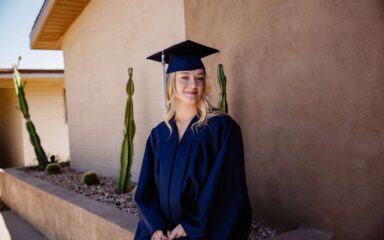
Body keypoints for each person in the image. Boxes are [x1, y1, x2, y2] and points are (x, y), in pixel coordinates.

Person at [134, 40, 252, 240]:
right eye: (185, 77)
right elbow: (146, 189)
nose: (193, 85)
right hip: (163, 234)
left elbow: (227, 187)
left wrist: (191, 224)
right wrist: (154, 226)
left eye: (199, 77)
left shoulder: (221, 129)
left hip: (203, 231)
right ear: (171, 82)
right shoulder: (159, 135)